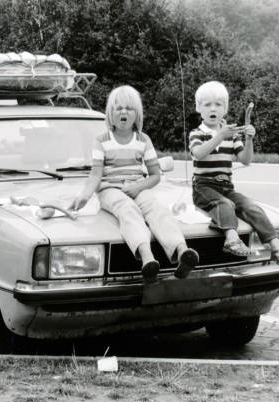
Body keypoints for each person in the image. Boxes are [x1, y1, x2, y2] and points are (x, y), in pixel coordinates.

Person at [70, 85, 199, 284]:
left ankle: (182, 252)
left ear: (136, 113)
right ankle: (148, 258)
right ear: (110, 113)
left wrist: (138, 187)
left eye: (129, 108)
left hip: (137, 186)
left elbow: (155, 175)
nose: (123, 112)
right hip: (109, 190)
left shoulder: (143, 140)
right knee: (127, 209)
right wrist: (84, 196)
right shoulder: (101, 141)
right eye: (118, 108)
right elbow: (95, 175)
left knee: (156, 209)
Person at [188, 80, 279, 267]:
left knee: (252, 207)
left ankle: (277, 247)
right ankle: (232, 239)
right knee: (225, 204)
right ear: (199, 108)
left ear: (225, 109)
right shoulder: (197, 133)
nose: (213, 108)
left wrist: (249, 139)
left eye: (218, 104)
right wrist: (219, 136)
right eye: (207, 104)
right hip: (203, 186)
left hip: (226, 186)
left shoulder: (233, 134)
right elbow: (198, 153)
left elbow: (245, 159)